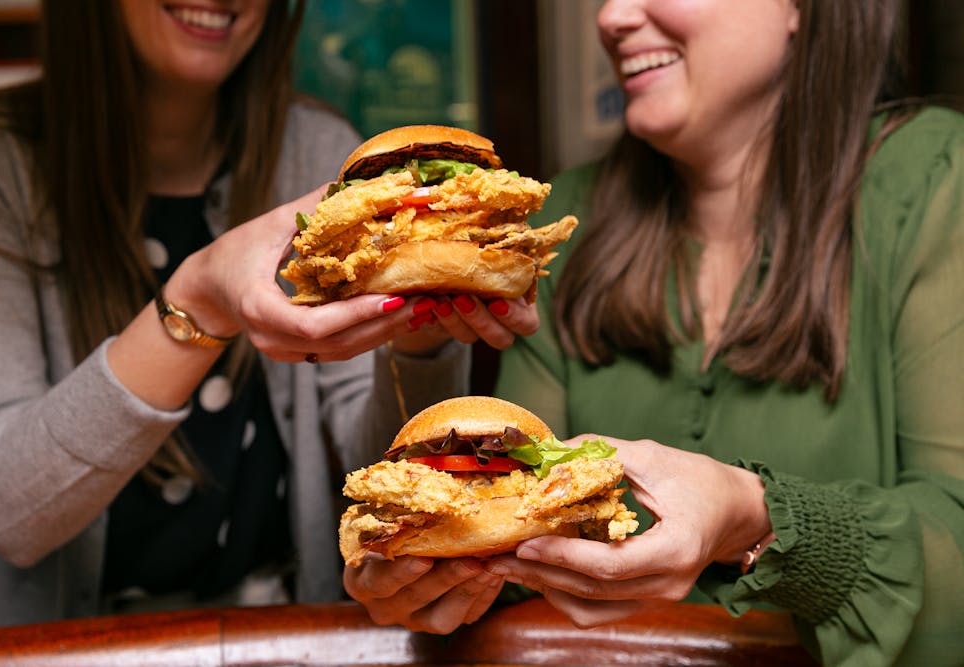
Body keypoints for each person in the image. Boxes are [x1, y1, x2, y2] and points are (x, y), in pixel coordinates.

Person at [342, 0, 964, 664]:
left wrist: (757, 517)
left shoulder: (935, 178)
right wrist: (436, 571)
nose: (610, 16)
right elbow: (516, 554)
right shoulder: (562, 232)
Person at [0, 0, 538, 626]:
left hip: (293, 632)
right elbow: (6, 513)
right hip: (69, 643)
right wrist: (199, 298)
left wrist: (420, 330)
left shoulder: (323, 149)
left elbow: (377, 481)